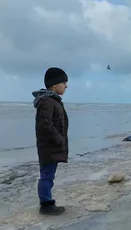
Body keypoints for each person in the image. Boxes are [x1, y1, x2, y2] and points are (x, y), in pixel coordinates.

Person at [32, 67, 69, 215]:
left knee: (49, 175)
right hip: (49, 147)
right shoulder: (47, 101)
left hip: (51, 146)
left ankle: (46, 201)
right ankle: (46, 205)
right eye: (64, 83)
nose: (66, 86)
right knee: (47, 176)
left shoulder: (52, 100)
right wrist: (59, 139)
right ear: (54, 84)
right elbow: (45, 124)